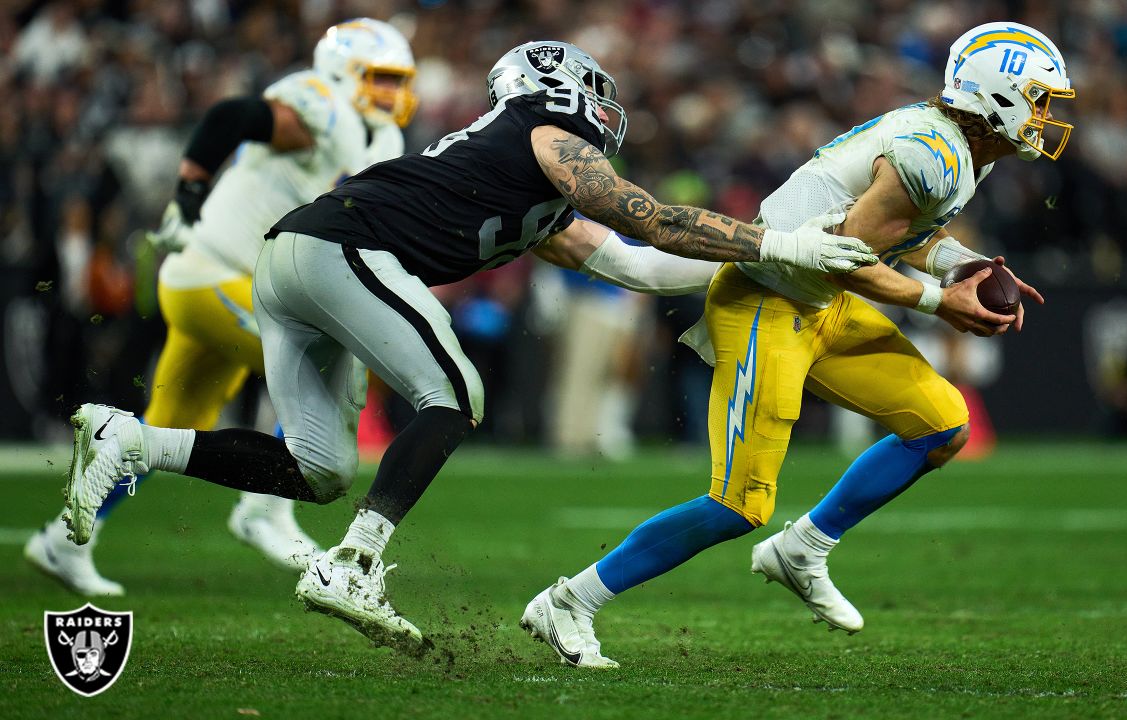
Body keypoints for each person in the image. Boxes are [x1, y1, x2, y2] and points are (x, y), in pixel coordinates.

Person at [61, 41, 877, 651]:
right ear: (554, 85)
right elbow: (645, 215)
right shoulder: (543, 127)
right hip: (337, 250)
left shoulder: (532, 187)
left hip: (301, 263)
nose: (603, 109)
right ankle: (354, 565)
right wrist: (775, 245)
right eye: (593, 91)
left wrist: (784, 245)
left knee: (317, 469)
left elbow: (638, 263)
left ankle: (129, 438)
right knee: (454, 395)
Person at [524, 21, 1066, 668]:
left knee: (943, 425)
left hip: (817, 301)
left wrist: (960, 263)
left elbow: (897, 231)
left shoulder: (952, 149)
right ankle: (570, 601)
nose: (1044, 114)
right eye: (1036, 97)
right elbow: (846, 256)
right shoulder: (934, 153)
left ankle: (804, 547)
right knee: (738, 504)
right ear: (995, 95)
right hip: (768, 302)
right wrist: (935, 301)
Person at [25, 18, 419, 596]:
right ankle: (265, 511)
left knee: (163, 434)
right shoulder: (320, 103)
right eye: (380, 78)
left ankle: (59, 542)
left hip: (233, 286)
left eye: (398, 80)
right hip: (215, 274)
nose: (391, 93)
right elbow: (233, 117)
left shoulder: (382, 138)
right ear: (342, 71)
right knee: (329, 345)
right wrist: (190, 184)